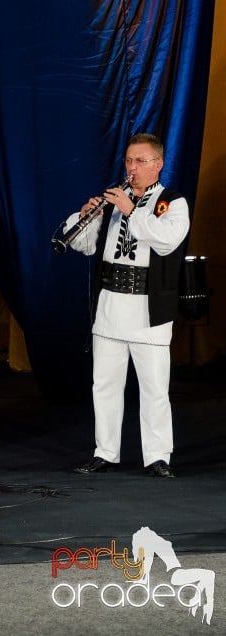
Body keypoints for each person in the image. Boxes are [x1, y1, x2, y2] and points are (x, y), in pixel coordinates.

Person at [68, 133, 189, 478]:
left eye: (140, 161)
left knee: (153, 387)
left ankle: (157, 456)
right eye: (128, 161)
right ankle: (105, 452)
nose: (132, 168)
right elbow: (86, 247)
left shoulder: (173, 203)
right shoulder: (115, 203)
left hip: (148, 311)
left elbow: (165, 242)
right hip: (110, 306)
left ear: (158, 164)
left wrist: (131, 209)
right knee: (104, 384)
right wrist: (86, 217)